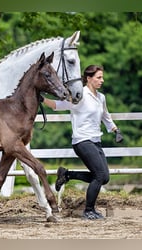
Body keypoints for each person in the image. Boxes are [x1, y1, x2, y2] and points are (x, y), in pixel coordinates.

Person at [40, 65, 124, 220]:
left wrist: (115, 130)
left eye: (102, 77)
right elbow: (59, 105)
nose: (102, 80)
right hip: (82, 141)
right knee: (99, 176)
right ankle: (89, 210)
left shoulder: (101, 97)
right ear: (88, 78)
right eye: (99, 77)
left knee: (104, 178)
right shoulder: (80, 95)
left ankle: (67, 174)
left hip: (96, 141)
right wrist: (43, 99)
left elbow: (106, 116)